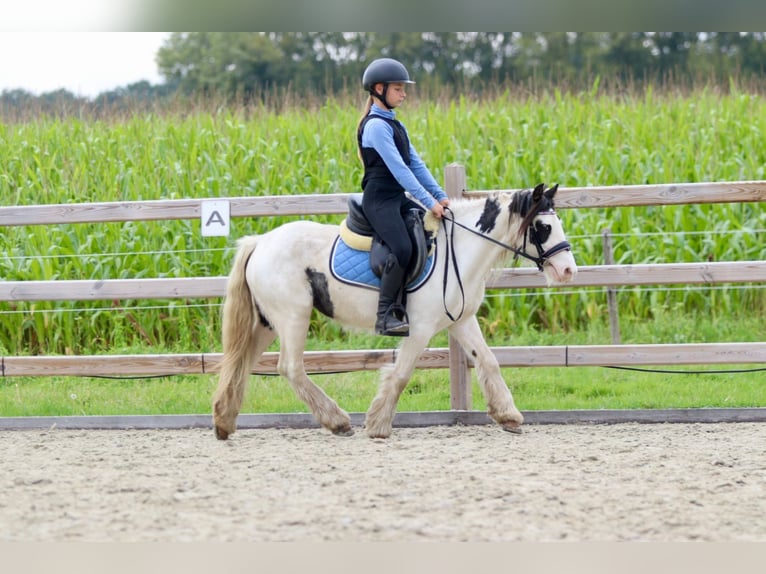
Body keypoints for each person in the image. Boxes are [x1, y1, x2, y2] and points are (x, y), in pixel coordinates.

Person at [356, 57, 451, 336]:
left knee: (426, 236)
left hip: (396, 198)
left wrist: (440, 196)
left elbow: (416, 164)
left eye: (403, 89)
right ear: (379, 89)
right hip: (379, 200)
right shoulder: (375, 126)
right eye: (398, 89)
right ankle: (385, 315)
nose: (404, 94)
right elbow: (400, 171)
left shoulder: (395, 124)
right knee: (402, 247)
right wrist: (429, 203)